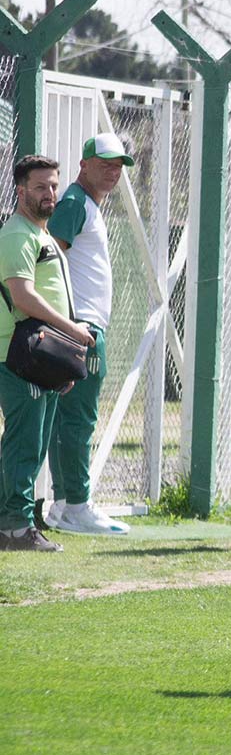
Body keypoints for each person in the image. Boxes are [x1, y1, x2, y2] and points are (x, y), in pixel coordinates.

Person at [0, 155, 95, 552]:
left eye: (54, 186)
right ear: (21, 190)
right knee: (24, 443)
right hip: (19, 355)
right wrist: (73, 331)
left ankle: (19, 522)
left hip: (42, 356)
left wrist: (64, 360)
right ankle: (16, 528)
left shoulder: (40, 234)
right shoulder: (18, 234)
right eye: (40, 187)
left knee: (35, 443)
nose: (50, 194)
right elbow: (22, 296)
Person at [43, 134, 136, 535]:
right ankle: (78, 504)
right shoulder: (75, 203)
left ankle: (64, 504)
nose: (112, 171)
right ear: (83, 165)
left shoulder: (88, 206)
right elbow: (48, 258)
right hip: (80, 327)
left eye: (118, 165)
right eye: (104, 163)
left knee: (69, 418)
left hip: (79, 324)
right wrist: (69, 323)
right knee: (79, 418)